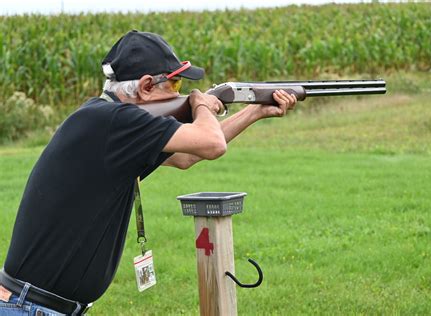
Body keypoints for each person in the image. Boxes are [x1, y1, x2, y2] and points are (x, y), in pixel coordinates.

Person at [0, 30, 297, 315]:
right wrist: (202, 104)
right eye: (176, 86)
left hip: (34, 305)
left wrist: (255, 111)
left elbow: (187, 156)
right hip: (29, 308)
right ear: (145, 86)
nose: (181, 94)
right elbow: (212, 144)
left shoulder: (106, 121)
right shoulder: (114, 121)